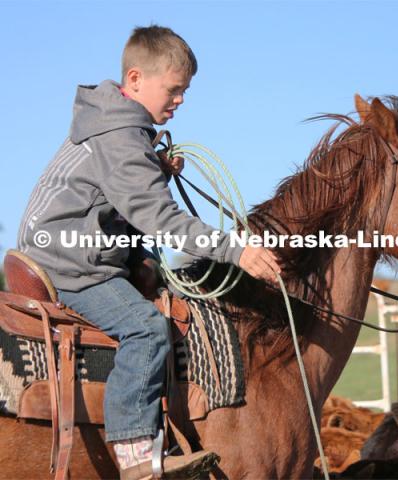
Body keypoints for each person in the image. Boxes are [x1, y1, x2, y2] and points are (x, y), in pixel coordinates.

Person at [17, 25, 281, 479]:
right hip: (73, 263)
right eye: (174, 89)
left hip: (65, 247)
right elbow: (161, 220)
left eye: (184, 92)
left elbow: (112, 185)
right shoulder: (121, 137)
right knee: (147, 329)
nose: (180, 100)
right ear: (135, 79)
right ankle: (136, 453)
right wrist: (235, 252)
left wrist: (153, 164)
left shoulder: (115, 126)